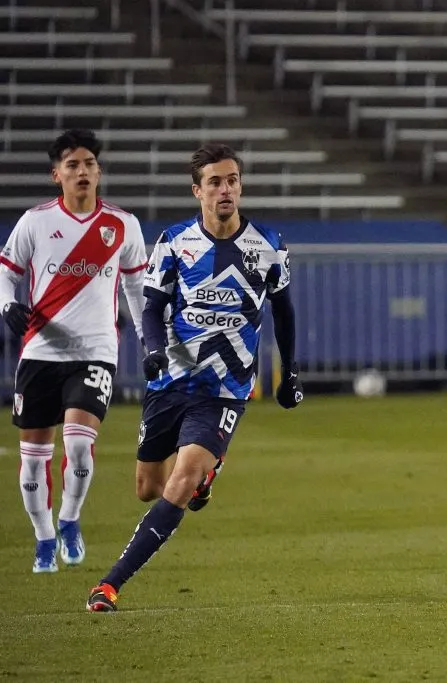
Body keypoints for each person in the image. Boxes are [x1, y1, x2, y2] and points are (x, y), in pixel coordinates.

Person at [86, 143, 303, 612]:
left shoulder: (269, 245)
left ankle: (109, 584)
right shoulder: (174, 240)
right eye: (215, 182)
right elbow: (152, 306)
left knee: (180, 483)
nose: (226, 190)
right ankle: (206, 475)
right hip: (171, 381)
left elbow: (284, 314)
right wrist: (153, 351)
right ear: (197, 191)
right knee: (149, 488)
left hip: (224, 389)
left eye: (232, 180)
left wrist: (290, 373)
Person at [0, 129, 147, 573]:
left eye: (88, 164)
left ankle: (69, 519)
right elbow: (6, 273)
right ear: (56, 175)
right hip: (40, 353)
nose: (82, 171)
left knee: (79, 447)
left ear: (98, 171)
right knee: (32, 465)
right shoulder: (35, 222)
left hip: (95, 352)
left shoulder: (122, 225)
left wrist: (150, 342)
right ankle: (44, 537)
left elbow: (136, 289)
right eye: (72, 165)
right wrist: (7, 304)